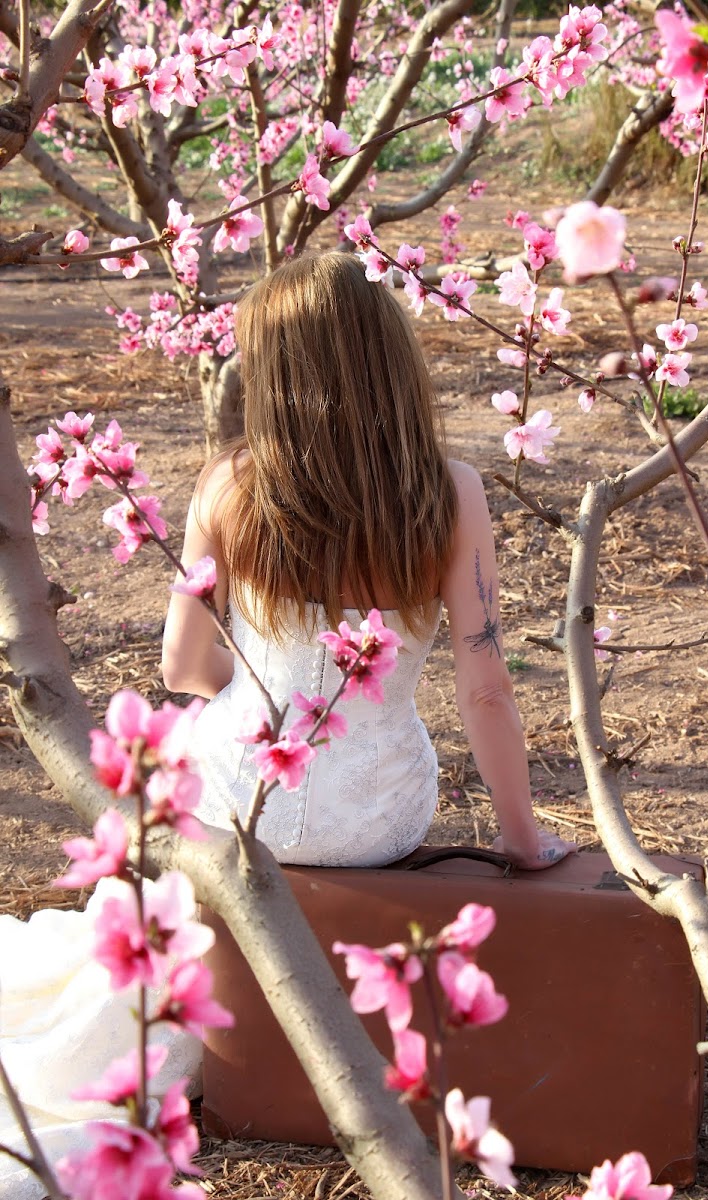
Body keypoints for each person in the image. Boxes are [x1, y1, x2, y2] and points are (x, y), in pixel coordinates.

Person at [162, 250, 573, 870]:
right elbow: (485, 693)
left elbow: (181, 666)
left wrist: (264, 691)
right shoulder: (450, 492)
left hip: (236, 806)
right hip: (377, 824)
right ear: (391, 358)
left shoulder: (226, 485)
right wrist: (520, 839)